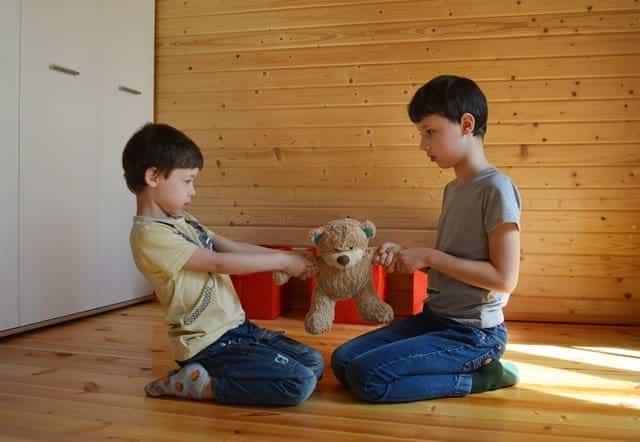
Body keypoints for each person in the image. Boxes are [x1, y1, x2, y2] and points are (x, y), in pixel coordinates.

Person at [331, 75, 521, 403]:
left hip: (474, 334)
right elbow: (456, 261)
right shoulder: (453, 190)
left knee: (368, 377)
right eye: (422, 134)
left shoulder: (496, 189)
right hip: (436, 318)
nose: (423, 145)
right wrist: (409, 255)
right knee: (342, 361)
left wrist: (429, 257)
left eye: (430, 132)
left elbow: (505, 279)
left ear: (466, 124)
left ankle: (481, 377)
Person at [123, 123, 323, 406]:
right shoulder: (150, 235)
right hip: (207, 343)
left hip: (237, 329)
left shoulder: (182, 220)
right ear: (153, 176)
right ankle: (199, 384)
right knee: (298, 383)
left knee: (313, 364)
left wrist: (287, 257)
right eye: (188, 180)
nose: (193, 191)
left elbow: (227, 246)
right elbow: (218, 263)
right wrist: (280, 260)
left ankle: (207, 376)